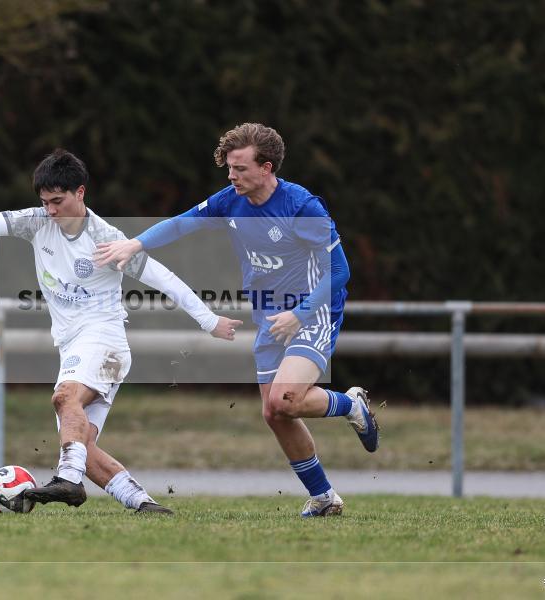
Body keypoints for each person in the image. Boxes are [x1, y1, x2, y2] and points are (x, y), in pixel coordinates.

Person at [94, 123, 379, 517]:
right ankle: (324, 497)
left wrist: (300, 314)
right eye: (228, 168)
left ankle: (349, 405)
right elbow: (181, 222)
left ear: (267, 168)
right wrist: (136, 243)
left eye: (240, 168)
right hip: (269, 315)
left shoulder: (301, 206)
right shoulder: (231, 200)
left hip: (314, 311)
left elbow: (340, 271)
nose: (231, 176)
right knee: (274, 413)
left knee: (287, 398)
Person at [0, 149, 241, 515]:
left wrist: (209, 321)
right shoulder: (36, 223)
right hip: (75, 348)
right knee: (82, 445)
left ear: (80, 193)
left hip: (104, 342)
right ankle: (144, 505)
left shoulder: (108, 239)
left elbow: (164, 279)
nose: (50, 211)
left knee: (65, 400)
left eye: (57, 201)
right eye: (44, 202)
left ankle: (69, 481)